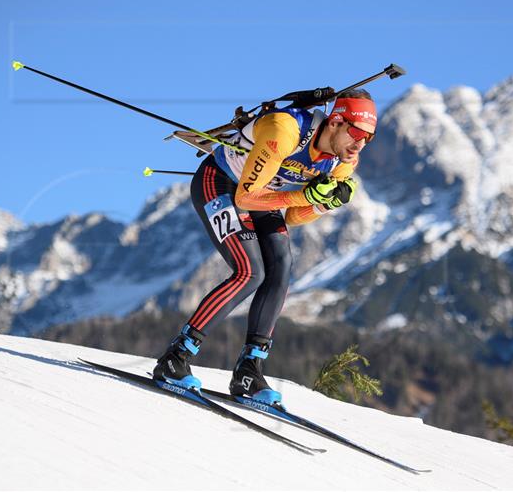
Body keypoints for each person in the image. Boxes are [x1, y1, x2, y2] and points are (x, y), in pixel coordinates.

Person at [152, 90, 378, 405]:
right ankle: (175, 358)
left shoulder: (344, 160)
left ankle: (249, 370)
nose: (360, 144)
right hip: (221, 182)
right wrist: (306, 195)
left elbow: (296, 217)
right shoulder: (284, 130)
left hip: (265, 196)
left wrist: (325, 203)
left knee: (281, 268)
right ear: (336, 121)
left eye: (369, 138)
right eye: (356, 133)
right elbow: (245, 197)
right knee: (250, 272)